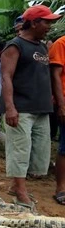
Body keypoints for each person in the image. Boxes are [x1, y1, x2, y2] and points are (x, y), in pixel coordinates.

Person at [1, 4, 60, 209]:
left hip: (41, 108)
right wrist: (10, 107)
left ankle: (15, 186)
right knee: (20, 149)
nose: (50, 26)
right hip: (21, 107)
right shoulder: (15, 46)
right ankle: (20, 191)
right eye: (47, 22)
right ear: (34, 22)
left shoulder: (42, 46)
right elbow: (6, 77)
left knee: (38, 152)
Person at [49, 32, 65, 206]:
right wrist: (61, 104)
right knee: (64, 146)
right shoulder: (61, 44)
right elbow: (56, 75)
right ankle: (60, 188)